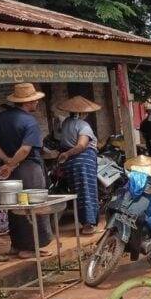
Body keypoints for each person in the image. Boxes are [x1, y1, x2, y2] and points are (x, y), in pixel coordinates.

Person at [0, 84, 54, 258]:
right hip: (29, 169)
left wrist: (6, 161)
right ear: (28, 102)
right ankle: (29, 248)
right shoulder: (29, 121)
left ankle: (16, 245)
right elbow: (25, 150)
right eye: (35, 100)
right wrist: (12, 164)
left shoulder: (1, 118)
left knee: (13, 207)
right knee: (32, 206)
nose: (37, 103)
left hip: (10, 171)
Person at [56, 95, 101, 235]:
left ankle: (86, 222)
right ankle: (88, 224)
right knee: (87, 192)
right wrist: (68, 154)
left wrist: (66, 155)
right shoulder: (83, 125)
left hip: (71, 164)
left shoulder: (65, 124)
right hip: (83, 162)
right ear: (83, 113)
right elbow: (81, 145)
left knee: (78, 192)